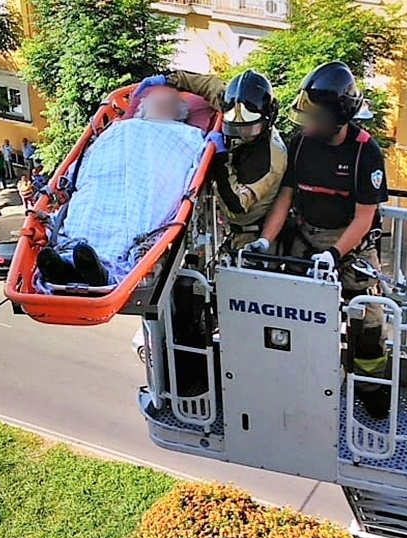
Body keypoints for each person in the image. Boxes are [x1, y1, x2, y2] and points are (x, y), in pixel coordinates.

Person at [246, 61, 390, 418]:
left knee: (369, 324)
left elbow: (363, 217)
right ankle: (303, 384)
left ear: (338, 119)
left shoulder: (364, 153)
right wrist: (266, 241)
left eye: (318, 120)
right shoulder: (302, 144)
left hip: (351, 247)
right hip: (306, 241)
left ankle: (371, 392)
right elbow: (286, 197)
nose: (311, 126)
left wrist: (334, 254)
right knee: (300, 318)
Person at [36, 85, 207, 290]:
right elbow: (89, 161)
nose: (162, 106)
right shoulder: (120, 128)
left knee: (132, 224)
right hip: (104, 186)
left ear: (179, 113)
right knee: (87, 210)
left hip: (144, 192)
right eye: (157, 102)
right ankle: (62, 268)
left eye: (169, 103)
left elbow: (188, 169)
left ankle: (100, 271)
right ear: (142, 109)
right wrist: (71, 181)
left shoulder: (186, 136)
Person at [136, 69, 287, 250]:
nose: (242, 134)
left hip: (247, 229)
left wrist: (220, 159)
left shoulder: (271, 159)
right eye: (235, 127)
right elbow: (207, 85)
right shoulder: (233, 105)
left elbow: (237, 203)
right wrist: (169, 79)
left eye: (249, 129)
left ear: (268, 119)